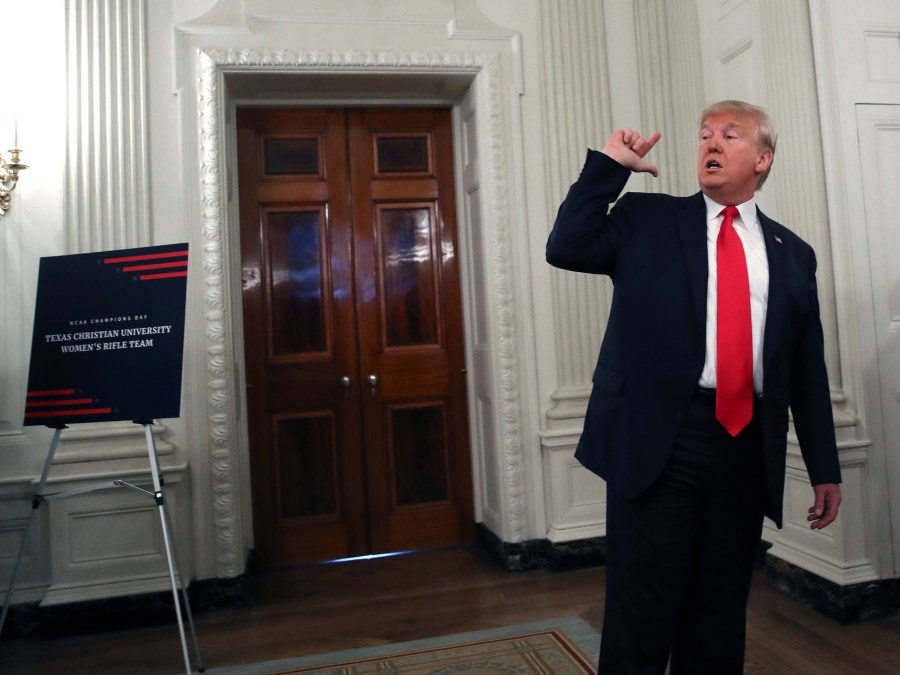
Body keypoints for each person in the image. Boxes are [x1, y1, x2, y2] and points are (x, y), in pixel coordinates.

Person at [545, 100, 842, 673]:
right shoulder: (646, 220)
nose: (711, 143)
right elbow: (566, 247)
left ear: (762, 158)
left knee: (719, 613)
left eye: (730, 136)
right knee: (643, 612)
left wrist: (824, 467)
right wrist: (610, 167)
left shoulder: (793, 253)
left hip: (745, 447)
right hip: (661, 442)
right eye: (705, 134)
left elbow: (806, 367)